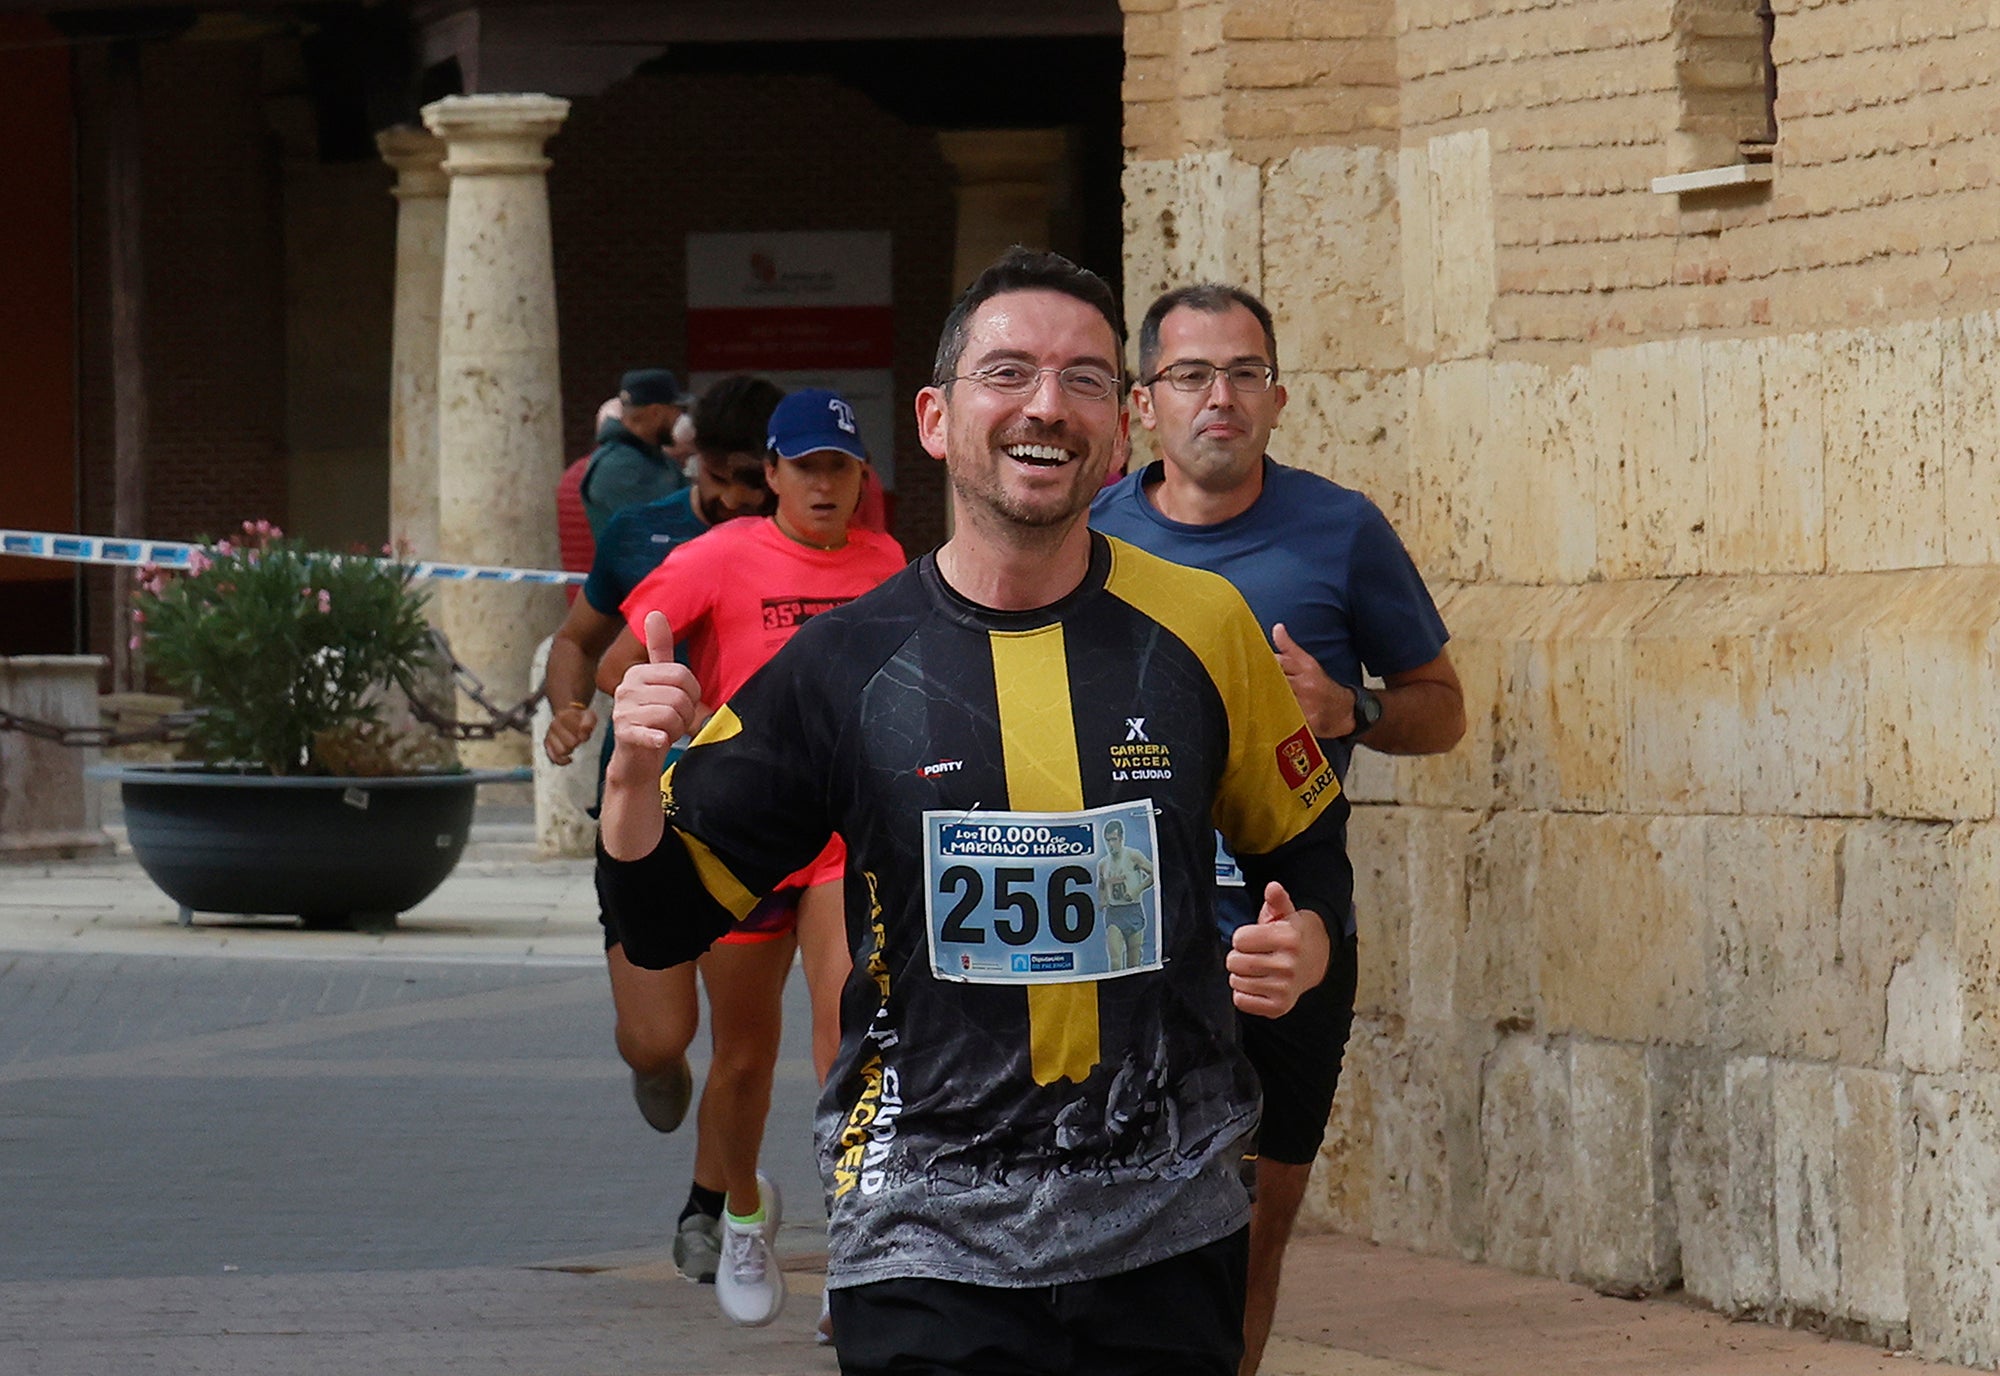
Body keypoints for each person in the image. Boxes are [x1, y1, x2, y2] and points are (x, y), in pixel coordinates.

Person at [596, 247, 1353, 1375]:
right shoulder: (843, 661)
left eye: (1085, 378)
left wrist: (1306, 943)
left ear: (1118, 432)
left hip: (1163, 1225)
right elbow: (660, 921)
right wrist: (626, 784)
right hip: (923, 1227)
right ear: (939, 418)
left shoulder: (1206, 626)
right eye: (1008, 372)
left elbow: (1310, 857)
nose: (1046, 403)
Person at [1091, 282, 1466, 1376]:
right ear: (1143, 404)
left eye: (1243, 373)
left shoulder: (1338, 530)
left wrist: (1353, 710)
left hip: (1288, 925)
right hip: (1127, 927)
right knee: (1118, 1212)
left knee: (1254, 1228)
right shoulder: (1090, 532)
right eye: (1191, 375)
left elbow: (1440, 706)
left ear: (1278, 397)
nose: (1220, 397)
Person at [597, 386, 906, 1329]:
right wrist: (674, 719)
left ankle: (856, 1252)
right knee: (741, 1059)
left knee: (844, 1038)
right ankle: (739, 1211)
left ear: (862, 480)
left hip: (842, 835)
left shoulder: (889, 562)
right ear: (769, 474)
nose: (824, 485)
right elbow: (620, 662)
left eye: (840, 469)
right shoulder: (715, 559)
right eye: (806, 467)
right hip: (743, 829)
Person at [541, 375, 783, 1299]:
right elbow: (578, 642)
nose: (737, 498)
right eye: (722, 477)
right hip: (644, 811)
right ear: (691, 460)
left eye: (754, 480)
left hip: (745, 822)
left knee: (744, 1042)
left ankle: (708, 1203)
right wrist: (569, 710)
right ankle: (650, 1061)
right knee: (658, 1037)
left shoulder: (807, 537)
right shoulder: (642, 532)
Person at [582, 368, 695, 539]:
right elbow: (662, 531)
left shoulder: (656, 459)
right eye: (676, 409)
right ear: (656, 412)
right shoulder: (617, 466)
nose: (679, 417)